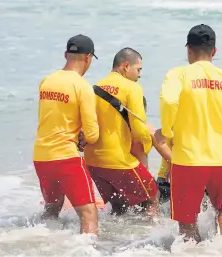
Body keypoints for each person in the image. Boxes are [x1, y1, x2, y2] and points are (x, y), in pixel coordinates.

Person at [156, 24, 222, 242]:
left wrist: (167, 131)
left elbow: (168, 100)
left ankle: (193, 250)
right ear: (214, 51)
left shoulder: (178, 74)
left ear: (188, 50)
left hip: (187, 160)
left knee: (186, 219)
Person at [33, 34, 100, 235]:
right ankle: (87, 251)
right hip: (66, 157)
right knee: (88, 213)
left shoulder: (47, 81)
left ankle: (45, 243)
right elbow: (93, 134)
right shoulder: (82, 86)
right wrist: (84, 137)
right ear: (88, 58)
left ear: (66, 54)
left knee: (52, 209)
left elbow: (49, 118)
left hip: (41, 156)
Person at [84, 47, 160, 217]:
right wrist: (151, 141)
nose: (139, 75)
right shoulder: (132, 88)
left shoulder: (93, 87)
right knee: (152, 197)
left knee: (119, 206)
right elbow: (139, 131)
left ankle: (113, 240)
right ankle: (151, 236)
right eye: (138, 69)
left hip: (92, 162)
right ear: (126, 66)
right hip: (118, 160)